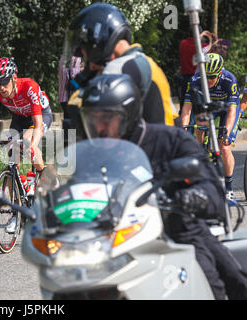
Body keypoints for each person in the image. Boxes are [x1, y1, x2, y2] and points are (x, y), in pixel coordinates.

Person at [80, 73, 247, 300]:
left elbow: (211, 190)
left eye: (106, 119)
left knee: (224, 284)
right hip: (116, 241)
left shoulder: (171, 140)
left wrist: (193, 197)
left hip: (178, 234)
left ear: (127, 115)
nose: (99, 127)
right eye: (93, 119)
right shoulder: (91, 154)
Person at [63, 2, 178, 131]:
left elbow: (81, 108)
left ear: (96, 43)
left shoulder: (118, 68)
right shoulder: (147, 63)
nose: (88, 62)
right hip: (160, 144)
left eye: (85, 53)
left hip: (140, 149)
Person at [0, 57, 53, 233]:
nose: (1, 86)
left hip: (40, 115)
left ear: (14, 77)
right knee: (12, 160)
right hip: (19, 118)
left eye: (4, 81)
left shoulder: (29, 87)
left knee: (27, 142)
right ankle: (16, 213)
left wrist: (32, 146)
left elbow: (38, 124)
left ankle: (45, 175)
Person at [180, 53, 242, 201]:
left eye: (212, 76)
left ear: (220, 73)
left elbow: (233, 111)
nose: (208, 80)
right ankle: (201, 154)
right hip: (208, 107)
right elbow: (186, 110)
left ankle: (228, 189)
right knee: (199, 125)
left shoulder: (229, 80)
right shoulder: (195, 80)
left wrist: (226, 132)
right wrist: (183, 128)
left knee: (225, 148)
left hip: (227, 108)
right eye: (205, 76)